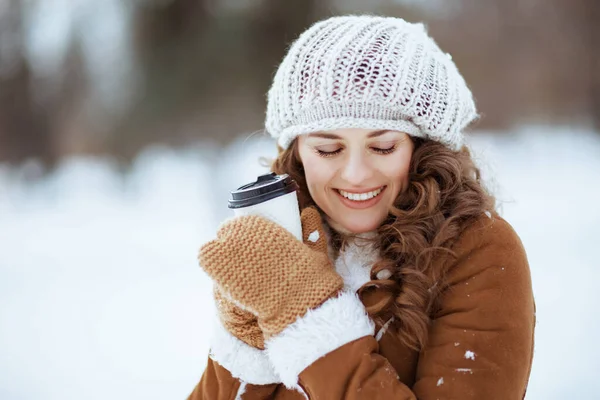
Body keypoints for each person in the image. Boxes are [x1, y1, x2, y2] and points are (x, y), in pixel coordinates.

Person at [188, 15, 535, 399]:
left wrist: (306, 313)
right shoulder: (284, 248)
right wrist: (245, 344)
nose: (355, 174)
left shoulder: (479, 250)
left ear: (423, 148)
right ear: (298, 153)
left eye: (382, 147)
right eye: (328, 149)